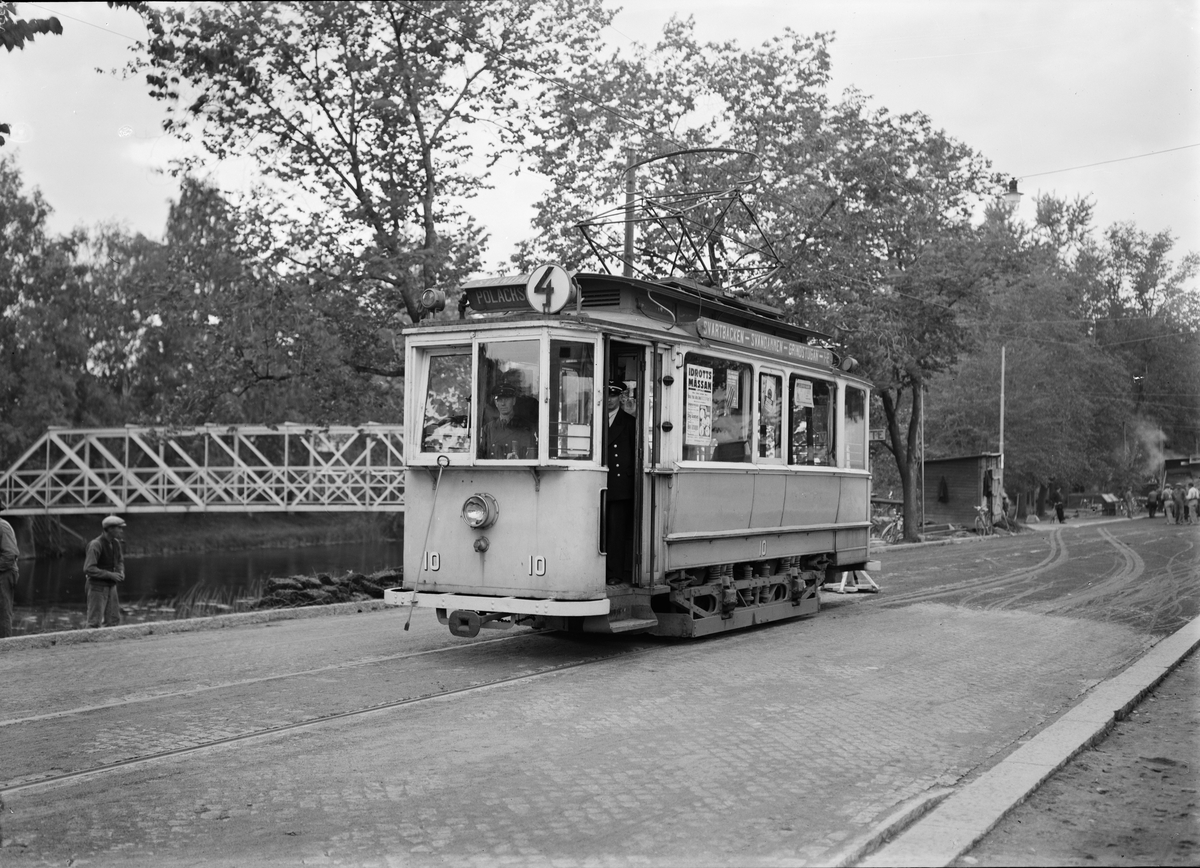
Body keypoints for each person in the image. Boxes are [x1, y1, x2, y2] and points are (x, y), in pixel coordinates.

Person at [605, 380, 637, 585]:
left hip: (619, 486)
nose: (609, 399)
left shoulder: (629, 422)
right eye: (606, 395)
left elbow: (635, 454)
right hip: (597, 483)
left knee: (616, 532)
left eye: (613, 396)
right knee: (599, 529)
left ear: (620, 398)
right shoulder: (594, 419)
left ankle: (615, 573)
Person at [85, 515, 126, 628]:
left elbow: (119, 561)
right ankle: (88, 644)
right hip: (96, 587)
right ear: (110, 529)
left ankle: (109, 645)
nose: (121, 531)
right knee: (94, 622)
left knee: (113, 620)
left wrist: (120, 571)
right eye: (119, 528)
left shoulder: (116, 543)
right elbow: (89, 569)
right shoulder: (95, 544)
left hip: (111, 587)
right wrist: (110, 575)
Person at [479, 381, 536, 459]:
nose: (503, 403)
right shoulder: (488, 429)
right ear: (496, 403)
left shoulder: (525, 427)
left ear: (513, 401)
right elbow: (482, 456)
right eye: (499, 399)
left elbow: (531, 457)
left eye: (506, 399)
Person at [0, 500, 20, 638]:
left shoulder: (3, 527)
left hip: (5, 573)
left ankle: (5, 647)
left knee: (3, 611)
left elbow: (10, 555)